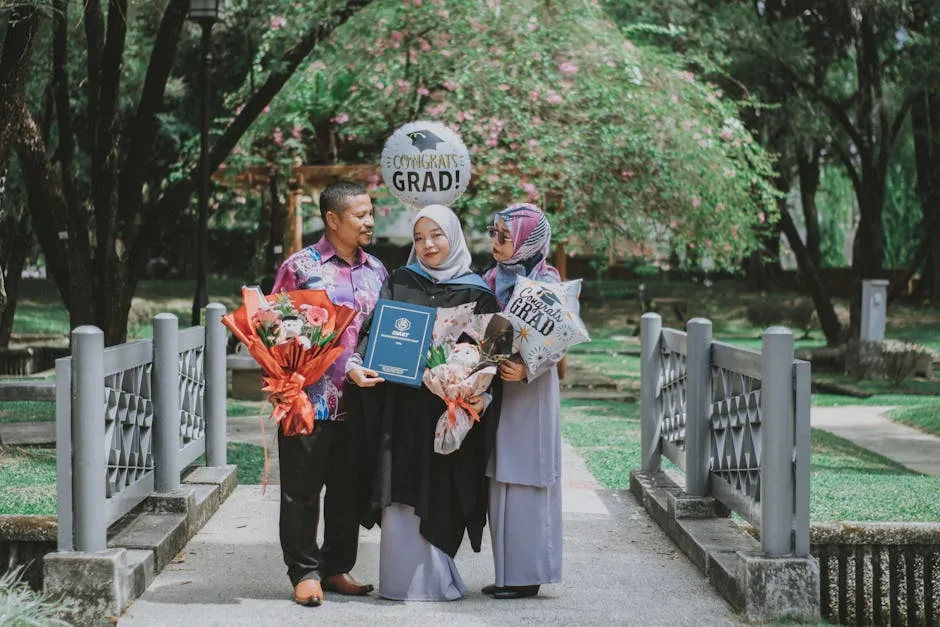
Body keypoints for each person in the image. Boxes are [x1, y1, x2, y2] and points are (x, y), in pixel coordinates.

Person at [346, 204, 502, 601]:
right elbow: (374, 332)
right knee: (398, 485)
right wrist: (356, 362)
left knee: (441, 491)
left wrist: (462, 381)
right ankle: (399, 582)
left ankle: (435, 581)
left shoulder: (477, 292)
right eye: (419, 237)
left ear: (454, 236)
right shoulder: (401, 280)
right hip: (400, 408)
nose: (428, 244)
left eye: (437, 235)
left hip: (444, 413)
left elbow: (487, 355)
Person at [269, 180, 388, 607]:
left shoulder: (377, 271)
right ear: (333, 220)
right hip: (309, 401)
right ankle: (304, 573)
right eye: (361, 214)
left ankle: (336, 567)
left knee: (347, 490)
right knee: (301, 491)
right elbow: (273, 328)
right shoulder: (301, 268)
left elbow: (381, 332)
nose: (370, 220)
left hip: (359, 403)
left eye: (371, 212)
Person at [481, 202, 563, 600]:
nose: (495, 242)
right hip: (496, 392)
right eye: (493, 233)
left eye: (504, 236)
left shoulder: (548, 280)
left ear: (528, 240)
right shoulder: (489, 277)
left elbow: (560, 337)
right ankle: (506, 574)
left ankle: (526, 576)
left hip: (531, 393)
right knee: (500, 479)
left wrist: (529, 368)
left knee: (528, 479)